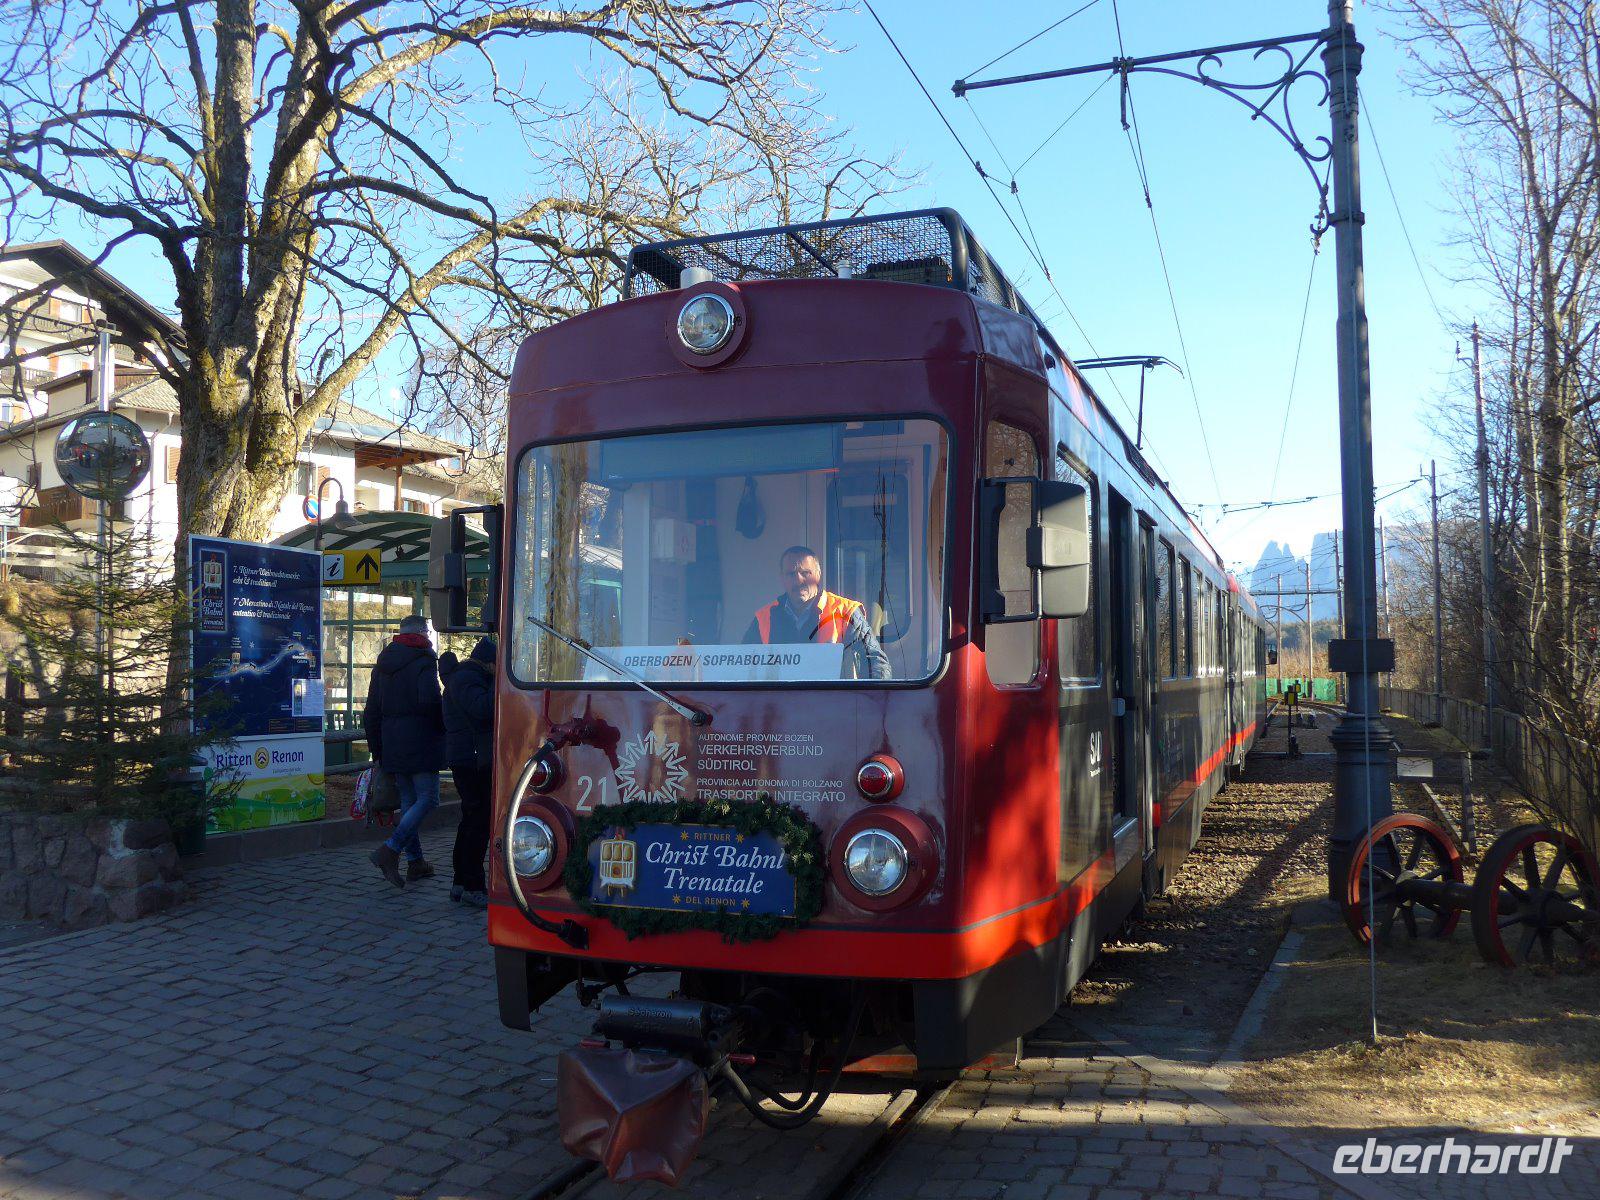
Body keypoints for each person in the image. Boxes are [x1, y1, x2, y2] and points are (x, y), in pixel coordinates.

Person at [365, 614, 446, 889]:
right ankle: (390, 849)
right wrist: (442, 733)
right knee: (429, 798)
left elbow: (371, 710)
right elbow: (431, 703)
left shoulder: (383, 662)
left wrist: (378, 750)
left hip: (392, 743)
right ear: (423, 634)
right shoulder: (424, 660)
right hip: (420, 741)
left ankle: (416, 863)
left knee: (410, 802)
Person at [742, 545, 890, 680]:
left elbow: (875, 662)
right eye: (791, 574)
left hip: (830, 704)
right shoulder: (764, 618)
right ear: (782, 578)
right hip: (779, 705)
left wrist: (872, 701)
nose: (798, 581)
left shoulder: (846, 612)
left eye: (805, 573)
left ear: (818, 575)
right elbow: (742, 666)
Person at [441, 636, 496, 909]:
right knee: (478, 823)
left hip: (469, 758)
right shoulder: (467, 679)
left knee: (470, 820)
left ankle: (460, 882)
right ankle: (473, 885)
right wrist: (500, 684)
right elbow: (482, 710)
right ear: (489, 662)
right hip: (472, 760)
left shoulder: (465, 677)